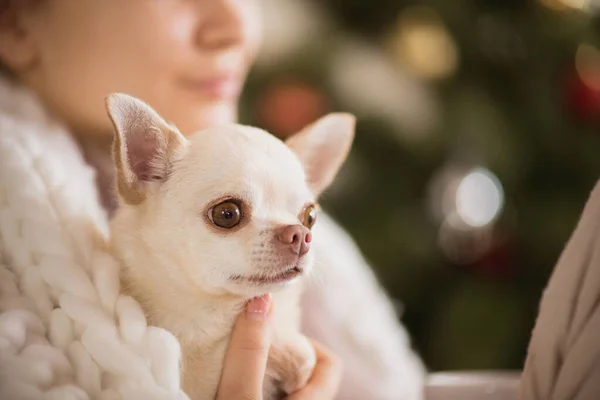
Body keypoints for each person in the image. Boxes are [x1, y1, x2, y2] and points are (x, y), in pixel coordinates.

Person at [0, 0, 425, 399]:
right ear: (15, 20)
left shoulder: (306, 232)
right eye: (227, 215)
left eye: (306, 215)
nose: (236, 26)